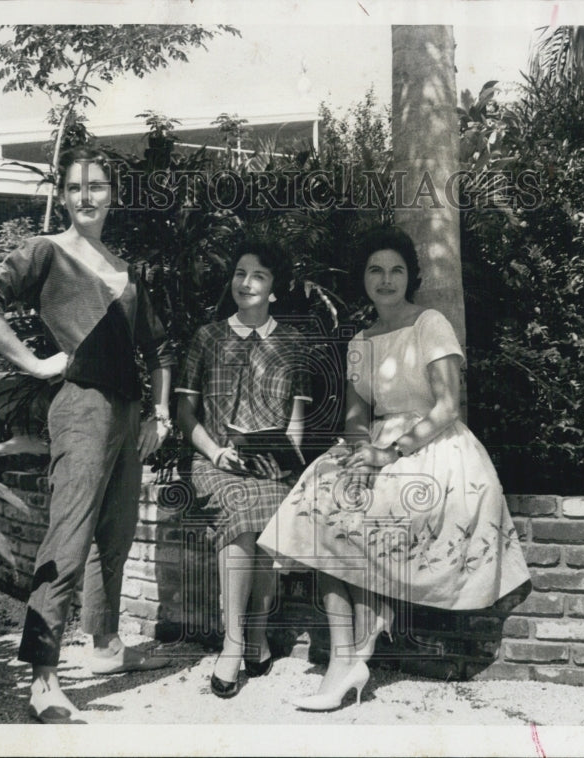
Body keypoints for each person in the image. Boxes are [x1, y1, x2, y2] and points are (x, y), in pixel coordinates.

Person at [257, 226, 531, 711]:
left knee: (367, 515)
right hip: (380, 443)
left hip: (435, 447)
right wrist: (359, 455)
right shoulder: (360, 341)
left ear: (411, 276)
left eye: (396, 270)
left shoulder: (430, 323)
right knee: (316, 504)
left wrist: (391, 453)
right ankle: (346, 658)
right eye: (376, 270)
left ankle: (359, 642)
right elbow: (356, 416)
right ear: (363, 278)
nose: (386, 280)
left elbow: (448, 406)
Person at [0, 146, 176, 723]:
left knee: (117, 534)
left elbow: (158, 349)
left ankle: (106, 648)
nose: (87, 197)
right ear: (62, 194)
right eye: (76, 187)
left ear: (113, 195)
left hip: (128, 414)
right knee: (70, 539)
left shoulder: (124, 268)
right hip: (81, 409)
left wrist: (159, 413)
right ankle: (43, 678)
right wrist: (34, 364)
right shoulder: (46, 251)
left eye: (98, 186)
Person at [176, 240, 311, 698]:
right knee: (240, 506)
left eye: (259, 275)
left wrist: (281, 457)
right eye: (239, 273)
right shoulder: (207, 337)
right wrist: (216, 453)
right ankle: (237, 641)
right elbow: (184, 416)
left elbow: (295, 427)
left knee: (269, 503)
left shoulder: (293, 344)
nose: (246, 282)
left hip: (270, 465)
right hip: (213, 463)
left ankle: (253, 632)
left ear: (275, 289)